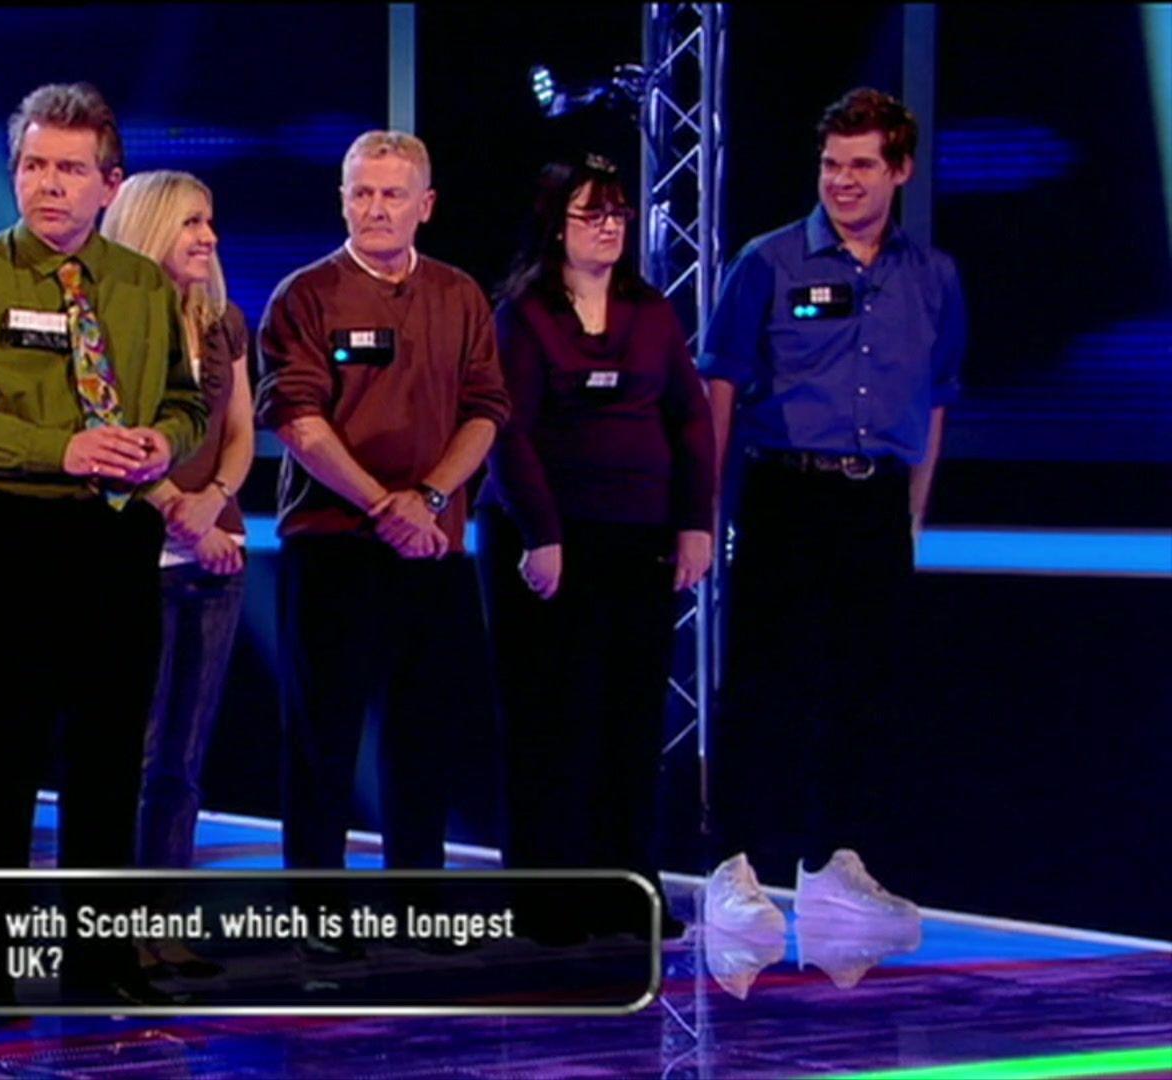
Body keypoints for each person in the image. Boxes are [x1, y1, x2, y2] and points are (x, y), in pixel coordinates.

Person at [0, 83, 206, 1006]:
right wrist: (61, 447)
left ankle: (101, 960)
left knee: (111, 755)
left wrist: (165, 440)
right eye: (34, 166)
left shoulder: (143, 284)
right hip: (9, 537)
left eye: (70, 169)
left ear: (109, 183)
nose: (49, 185)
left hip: (115, 539)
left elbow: (188, 402)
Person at [700, 88, 965, 935]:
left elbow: (933, 403)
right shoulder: (768, 263)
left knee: (861, 689)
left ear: (900, 170)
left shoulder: (933, 277)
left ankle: (835, 864)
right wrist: (705, 513)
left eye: (860, 165)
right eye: (830, 164)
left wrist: (910, 519)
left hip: (877, 501)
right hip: (785, 492)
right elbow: (720, 387)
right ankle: (733, 865)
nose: (842, 181)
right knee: (762, 685)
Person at [256, 131, 511, 910]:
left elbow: (487, 409)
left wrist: (428, 499)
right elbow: (296, 419)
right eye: (361, 192)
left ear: (424, 206)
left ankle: (417, 904)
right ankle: (315, 910)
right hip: (333, 551)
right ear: (341, 200)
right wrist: (381, 504)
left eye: (392, 193)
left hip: (431, 549)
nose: (374, 207)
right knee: (323, 739)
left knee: (423, 736)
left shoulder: (460, 295)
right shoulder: (305, 295)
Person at [474, 155, 714, 938]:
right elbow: (508, 432)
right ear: (555, 224)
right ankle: (546, 895)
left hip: (637, 542)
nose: (609, 225)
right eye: (591, 213)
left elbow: (689, 418)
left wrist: (695, 521)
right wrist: (543, 535)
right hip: (545, 545)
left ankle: (626, 887)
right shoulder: (521, 315)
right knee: (552, 717)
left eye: (617, 212)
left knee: (630, 718)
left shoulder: (651, 312)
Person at [101, 169, 253, 980]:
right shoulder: (107, 322)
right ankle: (112, 926)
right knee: (130, 752)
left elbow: (241, 434)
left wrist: (216, 503)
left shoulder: (225, 323)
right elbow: (107, 433)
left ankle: (164, 923)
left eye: (211, 221)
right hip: (137, 555)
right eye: (192, 222)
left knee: (182, 763)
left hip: (217, 559)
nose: (208, 237)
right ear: (151, 226)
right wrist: (175, 507)